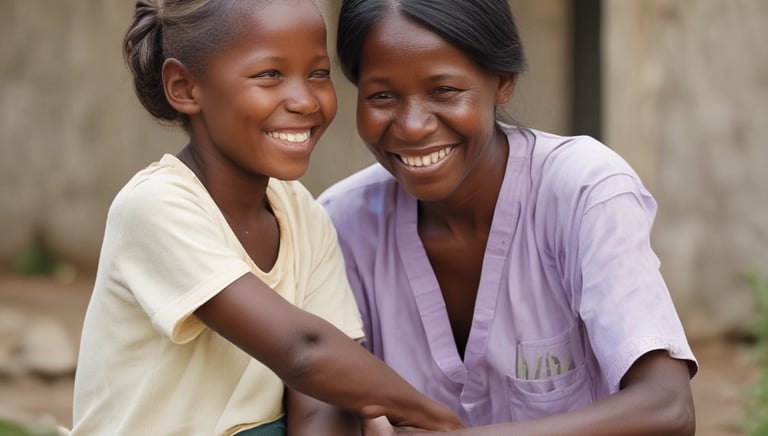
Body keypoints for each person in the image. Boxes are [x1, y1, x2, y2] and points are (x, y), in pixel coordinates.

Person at [69, 1, 464, 435]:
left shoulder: (302, 215)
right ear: (184, 87)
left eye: (318, 74)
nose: (305, 100)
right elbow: (304, 351)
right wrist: (442, 423)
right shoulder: (157, 205)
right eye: (269, 75)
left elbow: (325, 394)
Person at [319, 0, 698, 434]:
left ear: (502, 81)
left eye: (444, 90)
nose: (413, 126)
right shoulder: (342, 224)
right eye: (382, 96)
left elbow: (668, 409)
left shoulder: (583, 191)